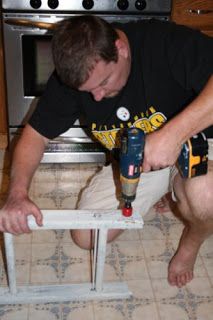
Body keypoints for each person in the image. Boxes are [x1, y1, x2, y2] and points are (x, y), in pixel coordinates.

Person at [0, 15, 213, 289]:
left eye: (103, 82)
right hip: (138, 161)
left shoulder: (164, 42)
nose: (97, 97)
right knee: (86, 236)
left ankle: (191, 244)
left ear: (120, 48)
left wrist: (172, 135)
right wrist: (17, 193)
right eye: (87, 91)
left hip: (196, 138)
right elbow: (35, 135)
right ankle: (168, 187)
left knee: (205, 197)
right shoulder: (76, 75)